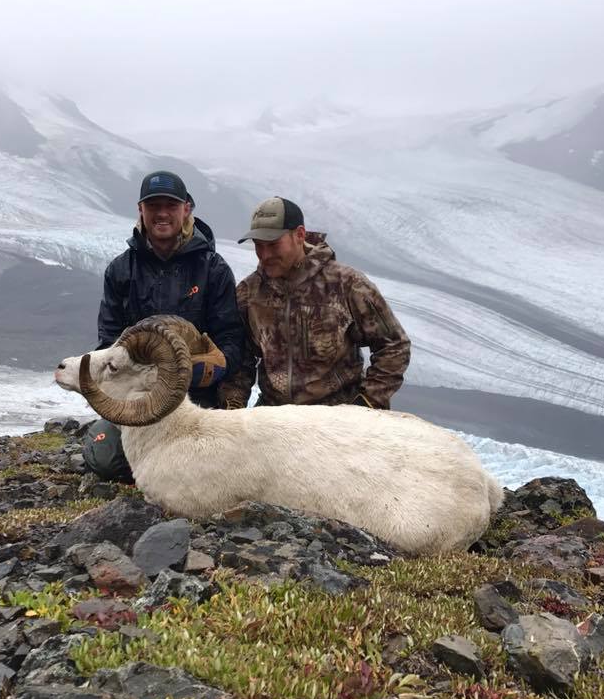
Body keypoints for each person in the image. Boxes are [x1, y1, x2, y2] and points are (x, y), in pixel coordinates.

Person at [84, 171, 244, 480]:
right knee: (105, 460)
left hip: (196, 400)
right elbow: (107, 342)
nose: (161, 213)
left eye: (170, 205)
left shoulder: (213, 269)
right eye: (153, 205)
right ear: (141, 210)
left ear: (186, 209)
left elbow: (231, 339)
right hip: (137, 397)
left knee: (207, 469)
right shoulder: (120, 270)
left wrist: (205, 369)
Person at [219, 196, 411, 411]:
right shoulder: (249, 293)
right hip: (274, 422)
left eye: (273, 245)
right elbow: (240, 359)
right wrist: (232, 409)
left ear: (299, 235)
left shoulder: (347, 284)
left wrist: (366, 404)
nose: (264, 255)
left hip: (336, 423)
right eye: (258, 245)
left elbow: (394, 345)